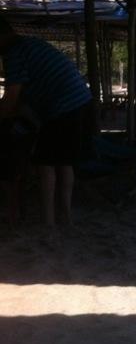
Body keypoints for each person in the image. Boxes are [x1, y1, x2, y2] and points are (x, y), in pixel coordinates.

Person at [0, 16, 94, 230]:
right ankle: (66, 216)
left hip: (62, 106)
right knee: (64, 162)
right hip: (81, 100)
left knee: (45, 163)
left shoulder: (14, 52)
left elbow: (11, 98)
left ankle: (49, 222)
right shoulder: (30, 44)